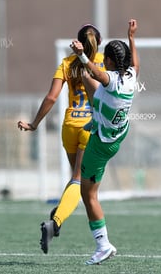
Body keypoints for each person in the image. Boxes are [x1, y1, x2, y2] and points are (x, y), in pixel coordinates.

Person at [17, 24, 104, 254]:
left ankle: (56, 223)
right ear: (99, 43)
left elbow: (51, 97)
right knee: (80, 180)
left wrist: (34, 123)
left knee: (75, 179)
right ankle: (54, 222)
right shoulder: (104, 62)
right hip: (90, 126)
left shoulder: (66, 63)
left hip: (69, 126)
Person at [70, 18, 139, 265]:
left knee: (88, 194)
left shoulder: (109, 81)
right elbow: (133, 62)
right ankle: (95, 120)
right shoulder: (132, 76)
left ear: (109, 61)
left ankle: (103, 244)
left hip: (100, 145)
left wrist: (81, 55)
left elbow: (97, 73)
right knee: (92, 86)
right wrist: (131, 37)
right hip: (118, 133)